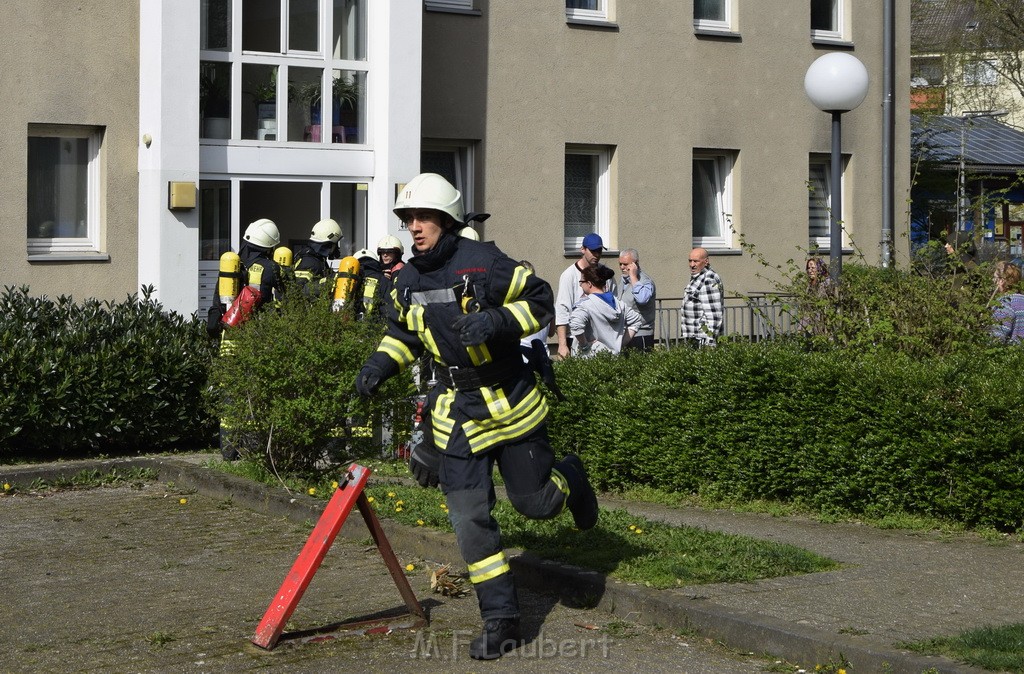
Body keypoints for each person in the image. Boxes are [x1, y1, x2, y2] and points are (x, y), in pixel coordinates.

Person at [354, 173, 599, 661]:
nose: (414, 227)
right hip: (459, 414)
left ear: (446, 220)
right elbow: (405, 334)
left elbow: (542, 301)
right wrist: (379, 365)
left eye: (422, 218)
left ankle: (569, 476)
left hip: (510, 405)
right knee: (470, 519)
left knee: (536, 504)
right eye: (408, 219)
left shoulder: (484, 262)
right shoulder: (405, 281)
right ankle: (501, 618)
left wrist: (497, 320)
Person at [555, 232, 614, 359]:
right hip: (576, 338)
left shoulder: (605, 274)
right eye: (593, 251)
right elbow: (562, 310)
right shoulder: (569, 275)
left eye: (599, 251)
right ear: (583, 249)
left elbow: (613, 304)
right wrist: (562, 344)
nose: (596, 255)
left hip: (602, 339)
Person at [570, 264, 643, 357]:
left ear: (589, 284)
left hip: (589, 362)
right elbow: (636, 321)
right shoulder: (619, 304)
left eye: (581, 281)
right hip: (614, 359)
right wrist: (619, 344)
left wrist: (584, 345)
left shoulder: (585, 305)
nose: (580, 284)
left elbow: (576, 326)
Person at [679, 247, 724, 347]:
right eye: (690, 261)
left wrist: (710, 342)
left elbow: (714, 315)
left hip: (703, 339)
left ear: (706, 261)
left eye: (696, 261)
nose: (692, 265)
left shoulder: (709, 278)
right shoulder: (698, 277)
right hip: (693, 336)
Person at [616, 248, 657, 351]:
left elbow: (642, 299)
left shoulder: (645, 281)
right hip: (624, 333)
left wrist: (633, 277)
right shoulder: (623, 281)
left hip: (641, 334)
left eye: (626, 264)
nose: (622, 267)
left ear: (636, 264)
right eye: (620, 264)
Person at [293, 218, 343, 295]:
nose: (337, 247)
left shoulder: (316, 259)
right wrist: (331, 280)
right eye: (336, 243)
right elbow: (301, 290)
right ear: (329, 243)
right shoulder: (310, 262)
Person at [990, 261, 1024, 344]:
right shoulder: (1021, 300)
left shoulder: (1005, 303)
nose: (993, 280)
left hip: (1010, 354)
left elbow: (996, 340)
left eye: (995, 278)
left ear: (1002, 281)